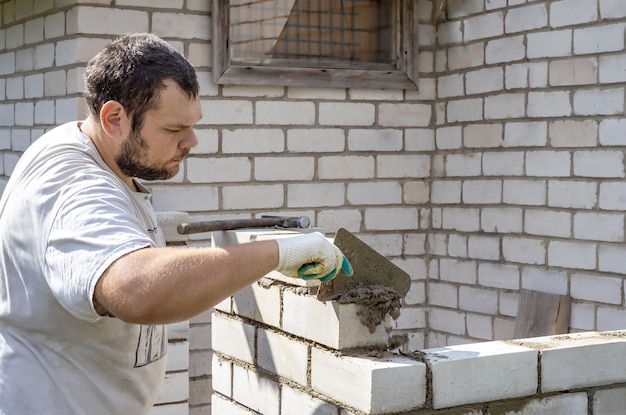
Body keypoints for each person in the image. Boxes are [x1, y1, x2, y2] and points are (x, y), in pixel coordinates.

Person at [0, 33, 352, 414]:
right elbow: (135, 289)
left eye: (193, 124)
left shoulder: (101, 155)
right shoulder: (74, 184)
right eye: (173, 129)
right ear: (114, 118)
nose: (192, 141)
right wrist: (277, 252)